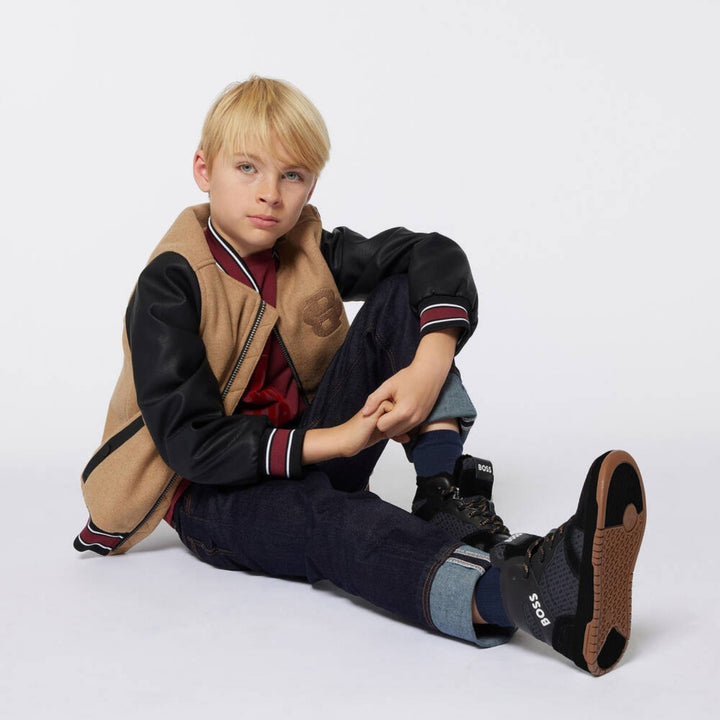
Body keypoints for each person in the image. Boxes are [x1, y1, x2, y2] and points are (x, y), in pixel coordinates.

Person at [74, 77, 646, 676]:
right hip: (211, 496)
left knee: (402, 291)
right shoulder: (172, 283)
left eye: (292, 175)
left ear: (310, 186)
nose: (269, 193)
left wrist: (429, 363)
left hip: (314, 445)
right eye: (246, 168)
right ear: (203, 169)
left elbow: (432, 252)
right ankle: (523, 596)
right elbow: (191, 443)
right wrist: (340, 440)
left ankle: (442, 492)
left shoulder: (305, 249)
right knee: (332, 520)